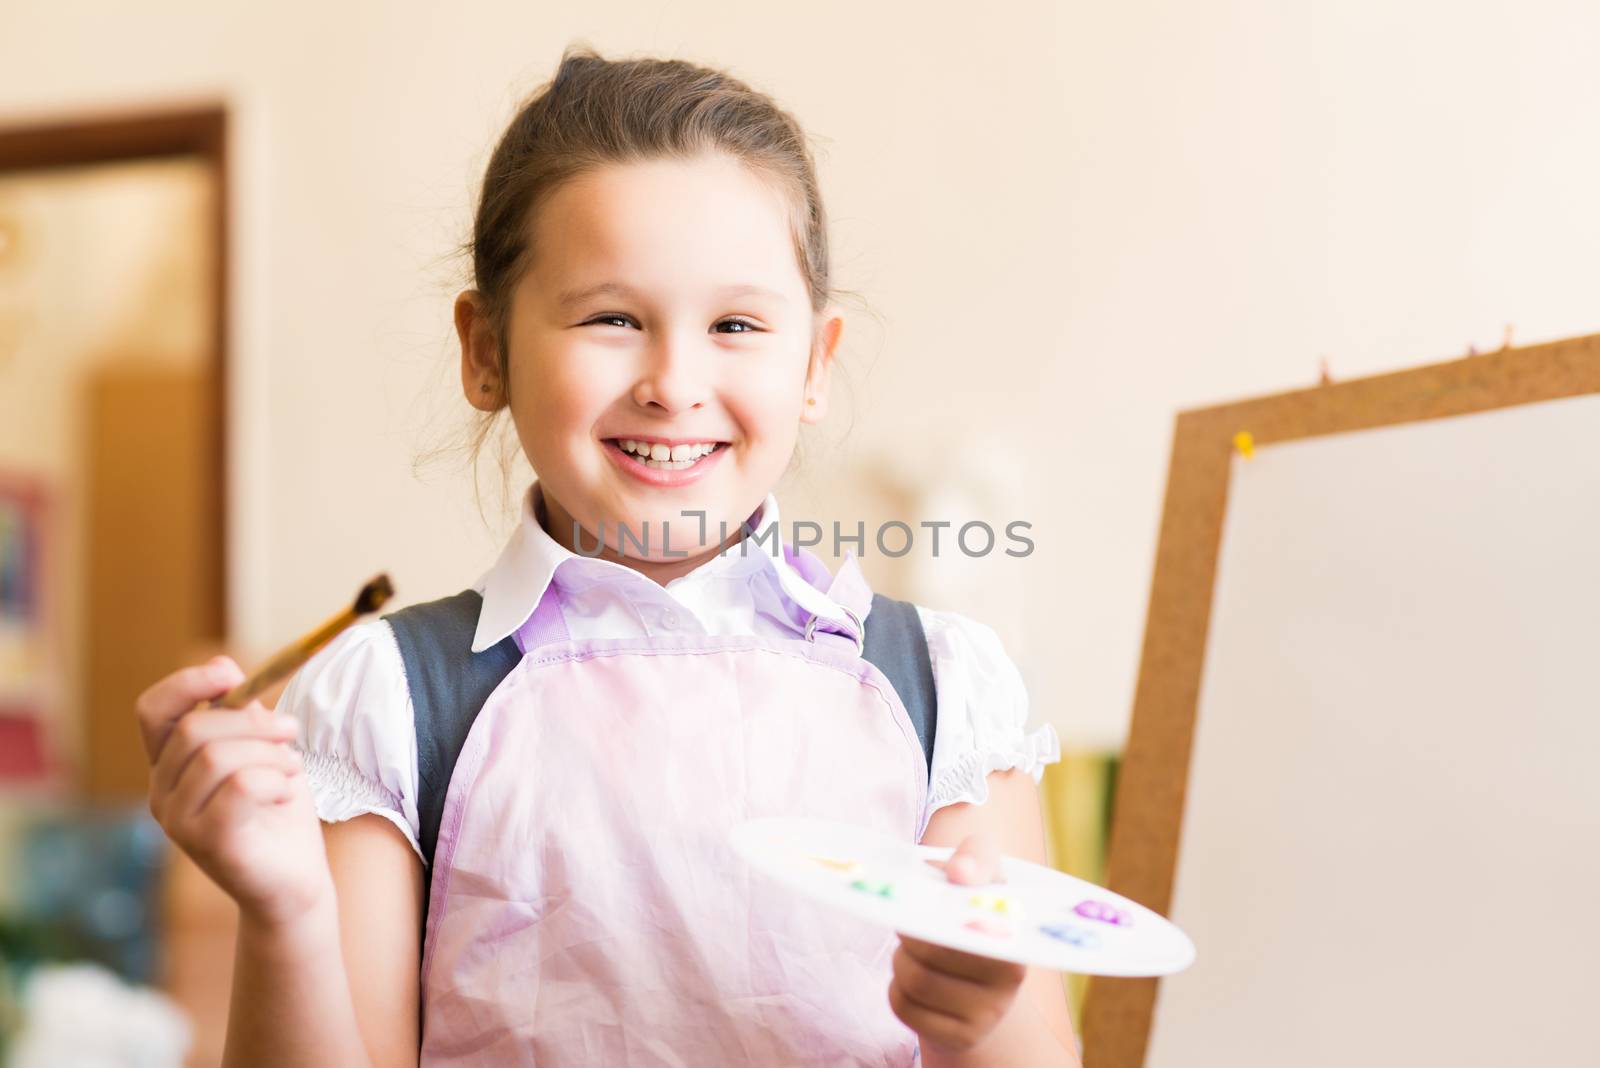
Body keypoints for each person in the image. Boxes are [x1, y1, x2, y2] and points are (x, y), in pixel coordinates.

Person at [134, 46, 1078, 1067]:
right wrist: (282, 911)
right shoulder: (384, 701)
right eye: (613, 319)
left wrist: (971, 1025)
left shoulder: (943, 689)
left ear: (814, 363)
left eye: (735, 324)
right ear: (485, 351)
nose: (674, 382)